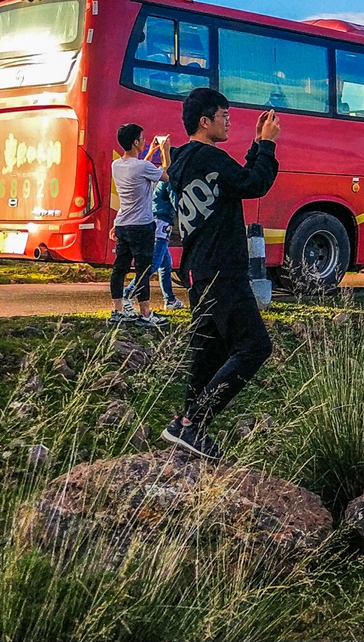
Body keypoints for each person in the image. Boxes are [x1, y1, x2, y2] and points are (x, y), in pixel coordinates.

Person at [162, 88, 279, 460]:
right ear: (204, 121)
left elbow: (235, 180)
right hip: (222, 271)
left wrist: (256, 143)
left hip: (199, 272)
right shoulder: (209, 158)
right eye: (224, 115)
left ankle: (182, 424)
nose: (229, 120)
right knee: (255, 346)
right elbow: (254, 184)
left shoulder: (187, 162)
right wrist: (268, 146)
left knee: (209, 353)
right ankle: (195, 422)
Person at [110, 124, 168, 328]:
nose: (144, 141)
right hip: (142, 225)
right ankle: (145, 313)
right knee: (143, 270)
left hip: (122, 224)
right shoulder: (143, 167)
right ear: (135, 142)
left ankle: (117, 310)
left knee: (120, 268)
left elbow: (137, 167)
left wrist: (150, 151)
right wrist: (164, 152)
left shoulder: (117, 165)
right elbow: (167, 176)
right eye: (142, 139)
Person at [152, 178, 184, 310]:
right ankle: (127, 295)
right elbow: (176, 203)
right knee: (153, 265)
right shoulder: (169, 180)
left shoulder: (157, 179)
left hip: (156, 220)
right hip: (163, 222)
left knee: (165, 265)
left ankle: (170, 300)